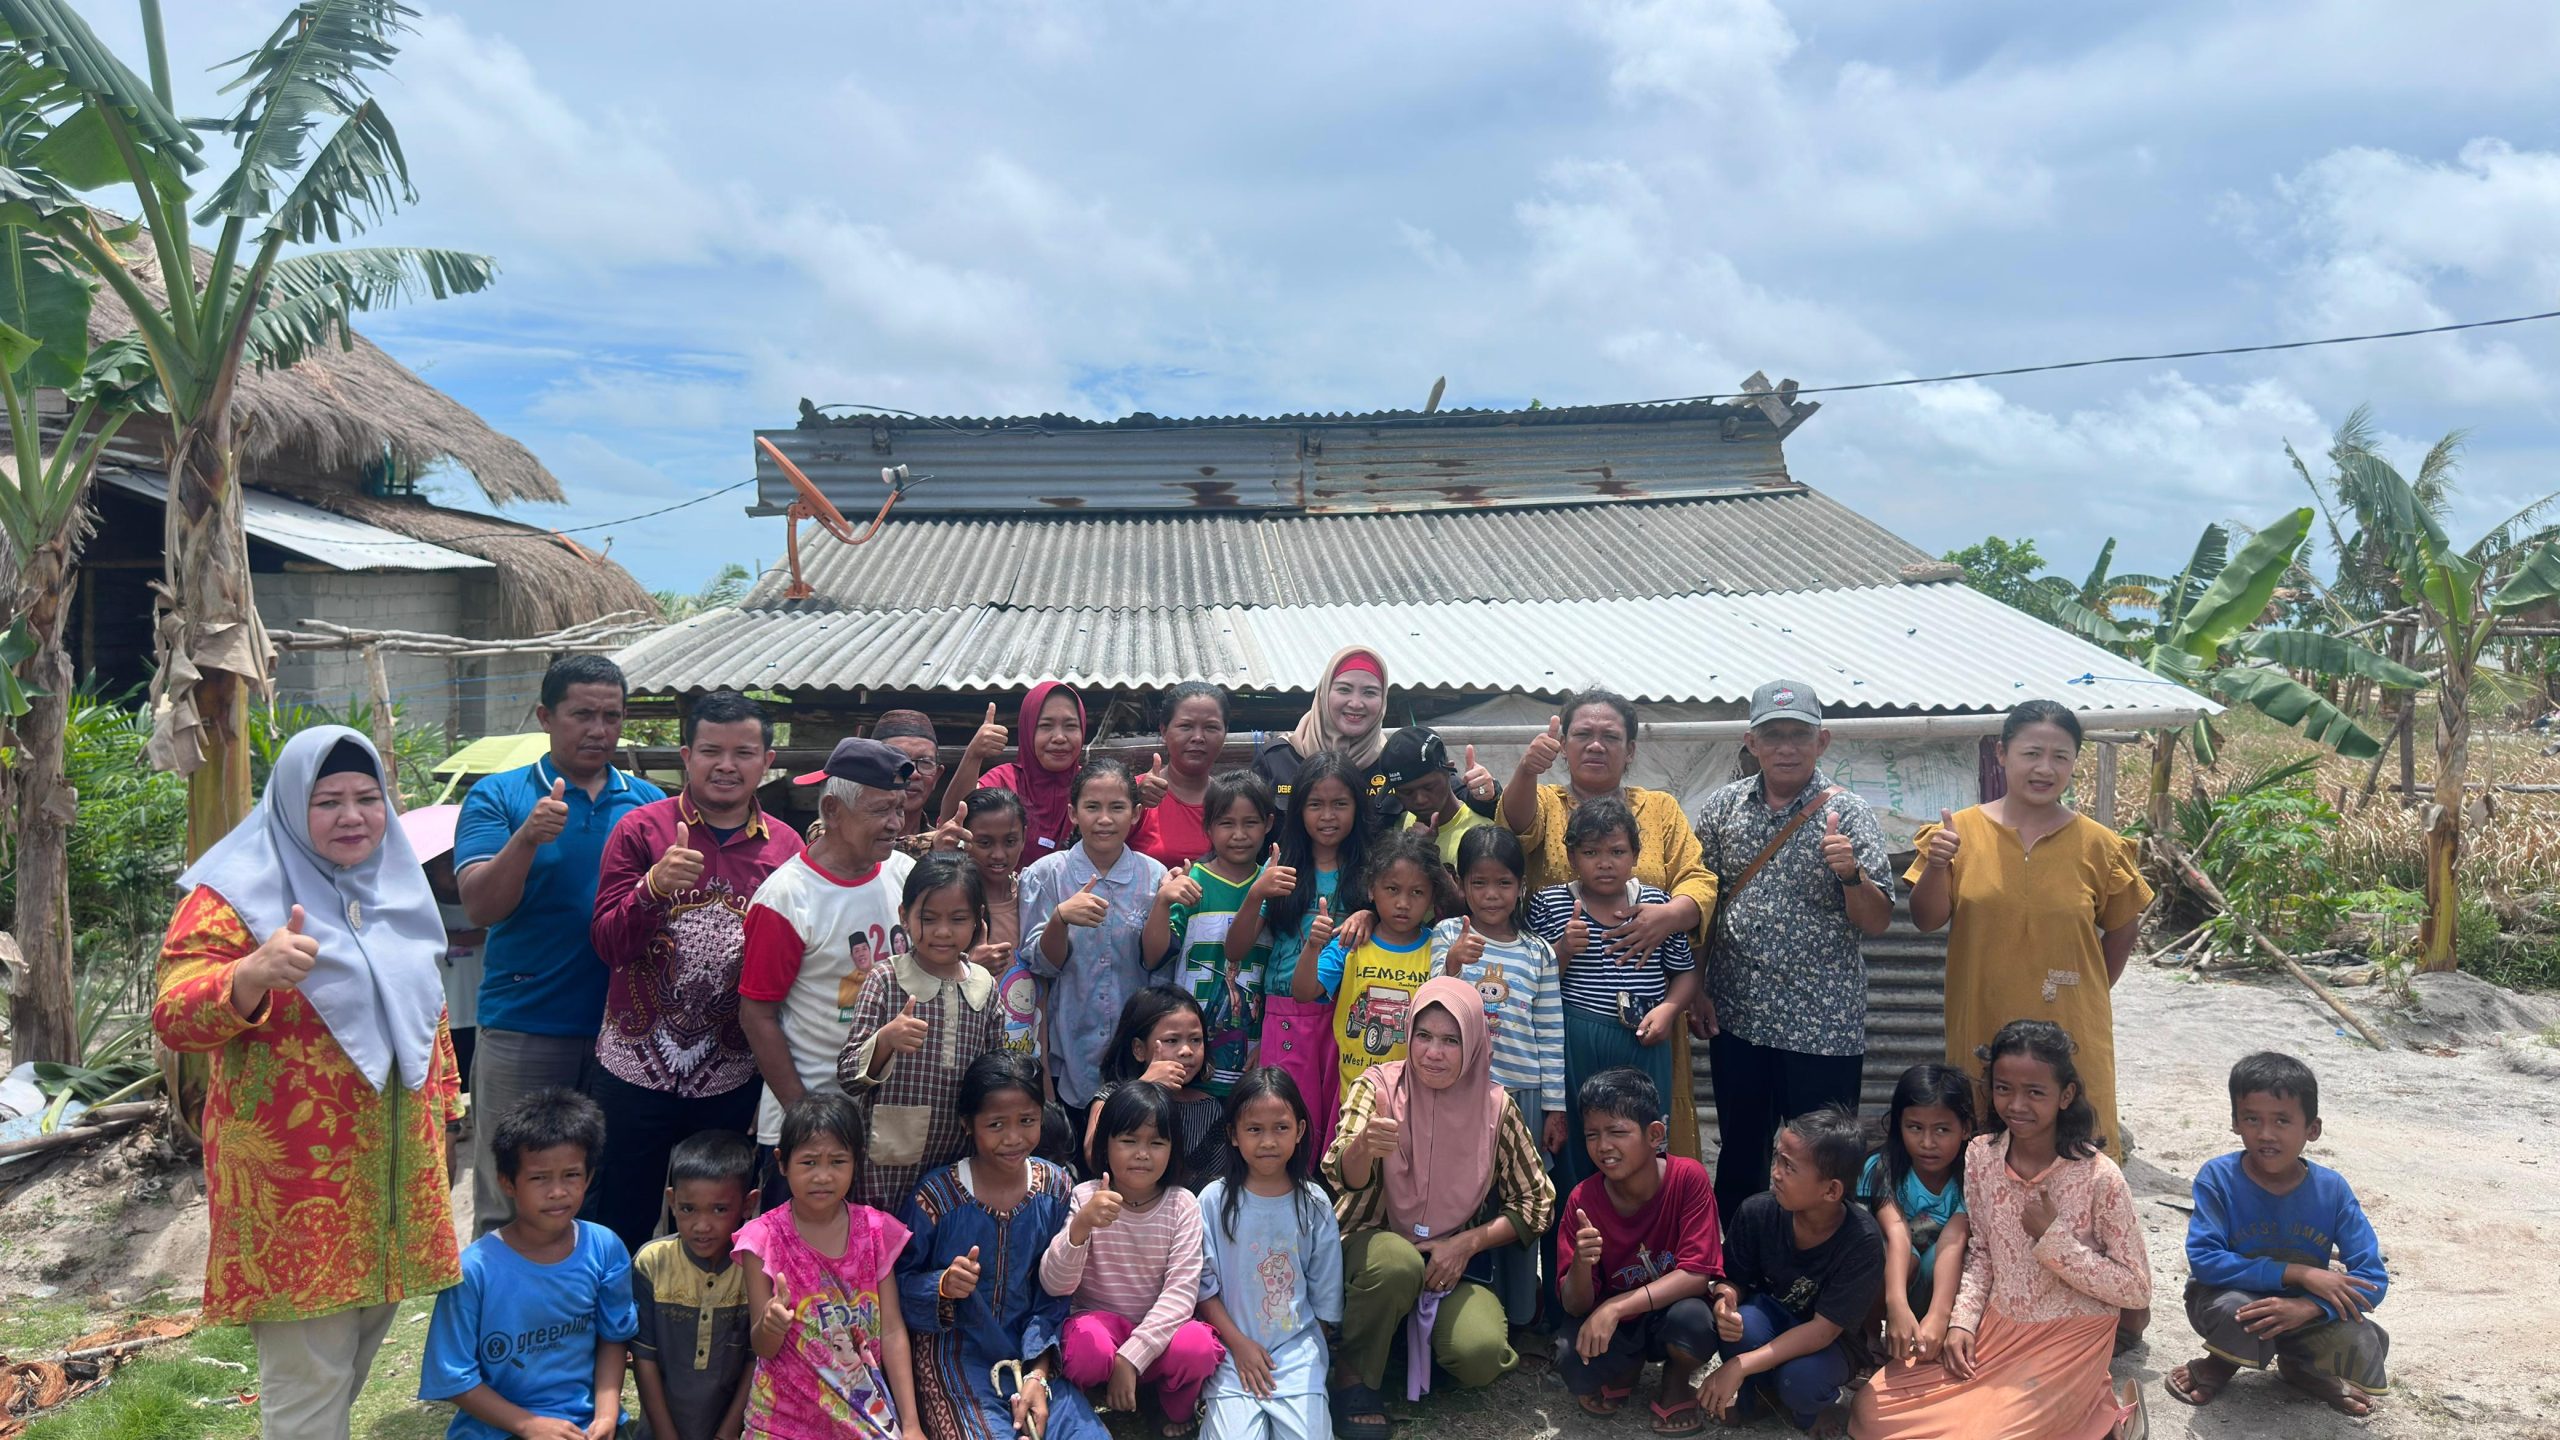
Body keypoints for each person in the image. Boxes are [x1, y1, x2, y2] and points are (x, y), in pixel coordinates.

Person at [154, 726, 461, 1440]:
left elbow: (429, 1014)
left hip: (394, 1183)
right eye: (328, 802)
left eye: (367, 798)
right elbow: (172, 1016)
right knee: (308, 1388)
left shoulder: (396, 883)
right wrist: (248, 975)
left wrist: (447, 1112)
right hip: (295, 1191)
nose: (352, 816)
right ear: (293, 805)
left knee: (342, 1375)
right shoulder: (232, 896)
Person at [1850, 1021, 2151, 1440]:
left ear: (2066, 1096)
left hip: (2070, 1335)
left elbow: (2136, 1289)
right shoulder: (1981, 1155)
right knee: (1871, 1412)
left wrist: (2054, 1240)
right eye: (2004, 1088)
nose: (2017, 1104)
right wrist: (1962, 1323)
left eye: (2035, 1092)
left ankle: (2097, 1415)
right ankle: (2088, 1418)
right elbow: (1981, 1253)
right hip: (1997, 1327)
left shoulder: (2100, 1176)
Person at [590, 689, 805, 1254]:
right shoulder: (641, 830)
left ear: (767, 761)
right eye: (711, 751)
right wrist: (652, 888)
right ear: (686, 755)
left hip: (729, 1075)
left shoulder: (787, 848)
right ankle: (620, 1314)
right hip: (633, 1070)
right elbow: (607, 944)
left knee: (718, 1227)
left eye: (743, 753)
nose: (726, 765)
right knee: (619, 1219)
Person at [456, 654, 664, 1234]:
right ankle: (499, 1295)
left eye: (611, 716)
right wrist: (526, 838)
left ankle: (591, 1297)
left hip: (623, 1035)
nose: (599, 730)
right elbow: (480, 907)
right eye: (582, 715)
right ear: (545, 716)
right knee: (511, 1193)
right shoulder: (499, 796)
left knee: (601, 1193)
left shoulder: (649, 805)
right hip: (525, 1026)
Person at [1907, 699, 2152, 1161]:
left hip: (2072, 1026)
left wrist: (2088, 987)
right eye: (2031, 753)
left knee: (2075, 1158)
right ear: (2002, 754)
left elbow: (2123, 928)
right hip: (1982, 1020)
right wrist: (1938, 864)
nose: (2045, 768)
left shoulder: (2100, 845)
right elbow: (1926, 918)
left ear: (2074, 763)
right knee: (1986, 1153)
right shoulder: (1959, 832)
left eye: (2060, 756)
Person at [1691, 680, 1893, 1228]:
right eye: (1773, 734)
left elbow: (1877, 920)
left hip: (1822, 1024)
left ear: (1821, 741)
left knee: (1822, 1161)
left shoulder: (1849, 813)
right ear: (1751, 743)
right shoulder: (1723, 808)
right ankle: (1739, 1261)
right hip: (1740, 1017)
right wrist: (1698, 987)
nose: (1786, 747)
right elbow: (1705, 901)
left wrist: (1850, 874)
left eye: (1799, 735)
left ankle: (1820, 1264)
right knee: (1741, 1151)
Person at [1324, 978, 1556, 1439]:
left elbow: (1538, 1201)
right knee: (1397, 1263)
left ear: (1474, 1044)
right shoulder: (1378, 1087)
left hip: (1451, 1268)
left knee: (1479, 1352)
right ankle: (1354, 1377)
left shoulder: (1496, 1107)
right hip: (1373, 1251)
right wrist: (1365, 1146)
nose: (1434, 1053)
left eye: (1451, 1041)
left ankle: (1407, 1348)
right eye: (1424, 1036)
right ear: (1408, 1034)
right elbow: (1339, 1173)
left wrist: (1466, 1244)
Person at [1500, 688, 1715, 1163]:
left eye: (1610, 736)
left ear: (1631, 749)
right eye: (1583, 734)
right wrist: (1527, 770)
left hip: (1646, 1021)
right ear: (1563, 744)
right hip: (1568, 1022)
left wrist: (1669, 916)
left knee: (1642, 1132)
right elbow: (1514, 830)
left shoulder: (1660, 809)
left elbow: (1698, 878)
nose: (1596, 745)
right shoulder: (1545, 801)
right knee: (1574, 1136)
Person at [738, 738, 919, 1205]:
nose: (896, 823)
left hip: (890, 1123)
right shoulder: (787, 899)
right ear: (833, 811)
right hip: (814, 1134)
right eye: (881, 810)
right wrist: (805, 1118)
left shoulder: (902, 873)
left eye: (899, 809)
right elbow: (756, 1015)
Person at [896, 1052, 1108, 1440]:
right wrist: (942, 1286)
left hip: (1034, 1355)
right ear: (967, 1124)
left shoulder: (1056, 1189)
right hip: (955, 1362)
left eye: (1027, 1121)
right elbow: (896, 1287)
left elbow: (1055, 1295)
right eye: (996, 1124)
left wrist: (1039, 1376)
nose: (1013, 1138)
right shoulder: (936, 1198)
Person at [2167, 1052, 2388, 1417]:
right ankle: (2219, 1363)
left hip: (2302, 1312)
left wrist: (2309, 1306)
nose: (2266, 1134)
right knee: (2237, 1308)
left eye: (2282, 1121)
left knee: (2362, 1336)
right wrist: (2299, 1273)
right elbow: (2205, 1260)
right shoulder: (2218, 1177)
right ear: (2235, 1122)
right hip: (2228, 1300)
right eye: (2252, 1119)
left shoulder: (2332, 1190)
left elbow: (2372, 1278)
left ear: (2312, 1129)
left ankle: (2303, 1370)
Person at [420, 1088, 638, 1440]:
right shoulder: (475, 1269)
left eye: (571, 1175)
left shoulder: (605, 1247)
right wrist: (528, 1425)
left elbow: (613, 1337)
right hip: (496, 1430)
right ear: (508, 1182)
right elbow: (454, 1376)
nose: (557, 1191)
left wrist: (606, 1415)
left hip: (585, 1424)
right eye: (539, 1178)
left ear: (589, 1177)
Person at [1428, 825, 1563, 1331]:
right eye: (1479, 883)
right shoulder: (1449, 935)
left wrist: (1555, 1106)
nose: (1491, 895)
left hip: (1521, 1095)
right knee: (1465, 1200)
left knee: (1519, 1198)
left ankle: (1520, 1311)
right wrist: (1452, 964)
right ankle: (1465, 1309)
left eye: (1503, 883)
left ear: (1521, 886)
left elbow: (1550, 1031)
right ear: (1461, 884)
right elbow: (1430, 1005)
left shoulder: (1538, 951)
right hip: (1463, 1094)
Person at [1529, 796, 1700, 1192]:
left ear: (1636, 855)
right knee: (1577, 1139)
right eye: (1591, 853)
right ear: (1571, 857)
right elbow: (1534, 984)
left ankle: (1641, 1227)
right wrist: (1563, 950)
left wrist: (1669, 1010)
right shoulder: (1551, 904)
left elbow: (1685, 973)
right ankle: (1576, 1220)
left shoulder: (1657, 904)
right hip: (1575, 1039)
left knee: (1643, 1136)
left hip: (1644, 1039)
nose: (1604, 863)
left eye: (1617, 852)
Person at [732, 1092, 921, 1440]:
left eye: (837, 1162)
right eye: (808, 1163)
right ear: (782, 1162)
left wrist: (911, 1425)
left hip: (863, 1415)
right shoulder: (762, 1239)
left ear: (856, 1162)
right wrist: (771, 1323)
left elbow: (892, 1331)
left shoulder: (876, 1232)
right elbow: (762, 1347)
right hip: (781, 1420)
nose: (823, 1176)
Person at [1044, 1084, 1225, 1435]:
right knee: (1085, 1347)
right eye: (1128, 1140)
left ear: (1173, 1150)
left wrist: (1131, 1356)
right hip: (1102, 1333)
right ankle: (1097, 1395)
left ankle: (1169, 1404)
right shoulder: (1085, 1197)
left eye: (1156, 1143)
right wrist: (1080, 1228)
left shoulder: (1182, 1204)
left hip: (1161, 1337)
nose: (1142, 1154)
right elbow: (1054, 1284)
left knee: (1198, 1347)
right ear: (1105, 1145)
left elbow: (1181, 1295)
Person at [837, 853, 1012, 1212]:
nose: (942, 932)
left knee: (946, 1238)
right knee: (886, 1238)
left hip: (958, 1158)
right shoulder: (886, 980)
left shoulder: (984, 986)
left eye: (958, 919)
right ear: (904, 916)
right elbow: (848, 1076)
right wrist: (886, 1040)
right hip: (886, 1164)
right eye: (928, 919)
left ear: (977, 919)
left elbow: (994, 1079)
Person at [1554, 1068, 1723, 1433]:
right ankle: (1627, 1366)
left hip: (1671, 1312)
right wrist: (1582, 1263)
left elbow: (1696, 1275)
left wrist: (1616, 1306)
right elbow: (1575, 1305)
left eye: (1617, 1132)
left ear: (1654, 1135)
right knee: (1573, 1362)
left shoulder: (1687, 1178)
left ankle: (1676, 1380)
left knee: (1695, 1324)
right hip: (1619, 1324)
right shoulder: (1582, 1200)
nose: (1603, 1146)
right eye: (1592, 1135)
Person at [1697, 1106, 1882, 1434]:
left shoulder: (1861, 1241)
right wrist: (1725, 1299)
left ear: (1831, 1191)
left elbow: (1823, 1331)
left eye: (1789, 1167)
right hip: (1771, 1316)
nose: (1776, 1173)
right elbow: (1732, 1278)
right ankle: (1760, 1392)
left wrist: (1739, 1365)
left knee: (1801, 1381)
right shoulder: (1758, 1211)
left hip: (1831, 1340)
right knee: (1740, 1328)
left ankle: (1809, 1407)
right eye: (1777, 1159)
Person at [1229, 753, 1376, 1162]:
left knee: (1341, 1123)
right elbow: (1235, 950)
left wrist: (1370, 914)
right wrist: (1256, 892)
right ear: (1298, 810)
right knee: (1289, 1124)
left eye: (1340, 804)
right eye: (1316, 804)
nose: (1328, 816)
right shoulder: (1282, 868)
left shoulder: (1371, 870)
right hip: (1286, 1015)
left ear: (1358, 807)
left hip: (1349, 1013)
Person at [1021, 756, 1172, 1132]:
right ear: (1073, 813)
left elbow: (1157, 965)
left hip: (1134, 1052)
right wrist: (1060, 918)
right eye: (1092, 807)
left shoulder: (1154, 877)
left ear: (1136, 813)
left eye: (1117, 807)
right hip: (1066, 1049)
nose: (1104, 819)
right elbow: (1040, 964)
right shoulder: (1046, 875)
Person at [1196, 1069, 1343, 1440]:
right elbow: (1203, 1289)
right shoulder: (1213, 1201)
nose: (1268, 1141)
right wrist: (1239, 1345)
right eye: (1254, 1129)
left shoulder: (1314, 1203)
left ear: (1300, 1130)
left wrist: (1309, 1360)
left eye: (1281, 1128)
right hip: (1231, 1350)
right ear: (1233, 1134)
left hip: (1297, 1355)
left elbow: (1324, 1296)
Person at [1152, 771, 1280, 1097]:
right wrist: (1162, 903)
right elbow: (1153, 956)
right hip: (1190, 1053)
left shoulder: (1274, 885)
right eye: (1226, 823)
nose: (1239, 835)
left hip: (1254, 1050)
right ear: (1207, 827)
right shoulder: (1192, 882)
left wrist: (1269, 1040)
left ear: (1268, 823)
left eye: (1250, 823)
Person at [631, 1130, 761, 1440]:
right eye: (688, 1209)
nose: (702, 1226)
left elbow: (755, 1361)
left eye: (719, 1209)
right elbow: (644, 1359)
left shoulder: (755, 1266)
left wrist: (725, 1435)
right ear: (672, 1202)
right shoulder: (653, 1262)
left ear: (748, 1204)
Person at [1313, 830, 1454, 1100]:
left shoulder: (1437, 950)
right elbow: (1304, 991)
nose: (1403, 903)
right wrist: (1312, 946)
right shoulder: (1352, 942)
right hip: (1356, 1096)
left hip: (1418, 1099)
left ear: (1432, 897)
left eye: (1417, 892)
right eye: (1392, 889)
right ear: (1371, 888)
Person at [1860, 1065, 1976, 1371]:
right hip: (1889, 1276)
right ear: (1898, 1124)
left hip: (1939, 1281)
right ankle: (1868, 1338)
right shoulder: (1881, 1167)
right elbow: (1897, 1234)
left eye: (1942, 1130)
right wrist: (1896, 1304)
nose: (1927, 1142)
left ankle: (1932, 1333)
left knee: (1950, 1255)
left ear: (1965, 1128)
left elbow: (1955, 1239)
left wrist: (1938, 1315)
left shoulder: (1973, 1174)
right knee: (1886, 1250)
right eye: (1915, 1128)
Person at [1086, 988, 1229, 1187]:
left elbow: (1215, 1180)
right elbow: (1093, 1153)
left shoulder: (1208, 1108)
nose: (1186, 1050)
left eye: (1195, 1040)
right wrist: (1144, 1086)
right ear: (1139, 1049)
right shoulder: (1111, 1095)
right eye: (1172, 1040)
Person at [945, 683, 1088, 861]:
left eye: (1070, 726)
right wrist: (973, 755)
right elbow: (952, 823)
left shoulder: (1090, 786)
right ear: (1027, 730)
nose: (1059, 737)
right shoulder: (1004, 781)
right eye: (1045, 725)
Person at [1254, 649, 1390, 813]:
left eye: (1370, 692)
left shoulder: (1392, 763)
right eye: (1344, 689)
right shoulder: (1276, 760)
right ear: (1324, 693)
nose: (1356, 703)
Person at [1133, 682, 1235, 869]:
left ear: (1225, 733)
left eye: (1211, 727)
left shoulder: (1232, 801)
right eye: (1186, 726)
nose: (1198, 737)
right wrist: (1131, 801)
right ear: (1164, 731)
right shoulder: (1136, 794)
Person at [1375, 726, 1501, 867]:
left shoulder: (1483, 835)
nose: (1420, 799)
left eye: (1429, 787)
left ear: (1448, 770)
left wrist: (1423, 853)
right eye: (1407, 792)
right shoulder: (1399, 826)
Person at [961, 788, 1029, 957]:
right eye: (985, 843)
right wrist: (971, 967)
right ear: (964, 839)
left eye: (1010, 841)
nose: (998, 855)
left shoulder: (1034, 894)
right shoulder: (952, 901)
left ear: (1024, 838)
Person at [872, 710, 945, 851]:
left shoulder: (944, 847)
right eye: (900, 761)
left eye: (925, 762)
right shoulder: (843, 838)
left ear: (936, 776)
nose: (913, 774)